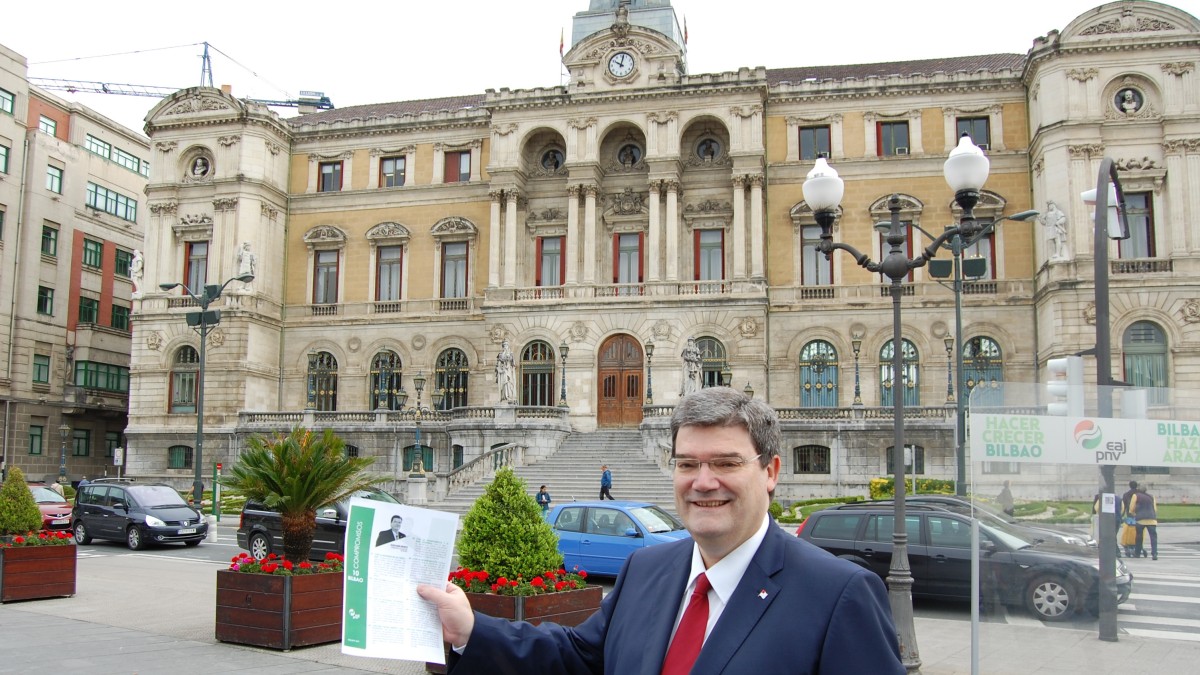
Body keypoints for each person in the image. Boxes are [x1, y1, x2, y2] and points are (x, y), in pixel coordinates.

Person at [417, 387, 904, 674]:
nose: (703, 482)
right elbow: (578, 658)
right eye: (688, 463)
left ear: (771, 471)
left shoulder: (839, 595)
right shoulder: (647, 568)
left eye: (726, 463)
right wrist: (472, 631)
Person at [1130, 485, 1158, 560]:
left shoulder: (1136, 496)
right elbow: (1154, 508)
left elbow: (1132, 507)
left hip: (1140, 519)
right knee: (1153, 537)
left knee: (1139, 537)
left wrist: (1134, 514)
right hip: (1152, 519)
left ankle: (1137, 553)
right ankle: (1154, 554)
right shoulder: (1151, 496)